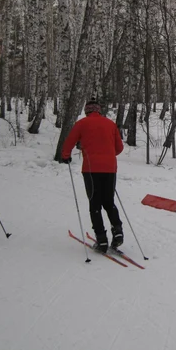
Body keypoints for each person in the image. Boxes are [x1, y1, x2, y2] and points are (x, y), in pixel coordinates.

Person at [61, 98, 124, 252]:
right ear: (99, 110)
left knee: (94, 203)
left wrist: (65, 155)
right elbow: (119, 147)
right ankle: (118, 232)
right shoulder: (110, 124)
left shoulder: (81, 124)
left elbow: (69, 142)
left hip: (91, 169)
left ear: (87, 110)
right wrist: (108, 155)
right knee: (109, 201)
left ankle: (101, 239)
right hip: (110, 168)